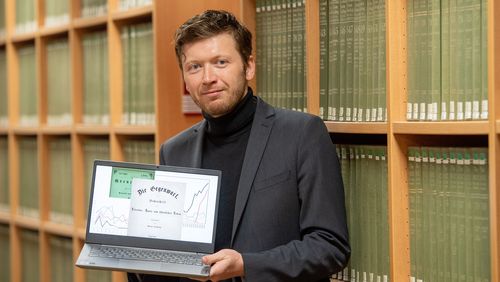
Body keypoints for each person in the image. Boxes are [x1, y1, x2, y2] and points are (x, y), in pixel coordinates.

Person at [128, 9, 350, 282]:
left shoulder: (302, 133)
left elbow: (330, 247)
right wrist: (136, 255)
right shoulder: (174, 150)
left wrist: (246, 265)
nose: (207, 77)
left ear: (249, 66)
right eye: (194, 67)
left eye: (221, 62)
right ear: (185, 78)